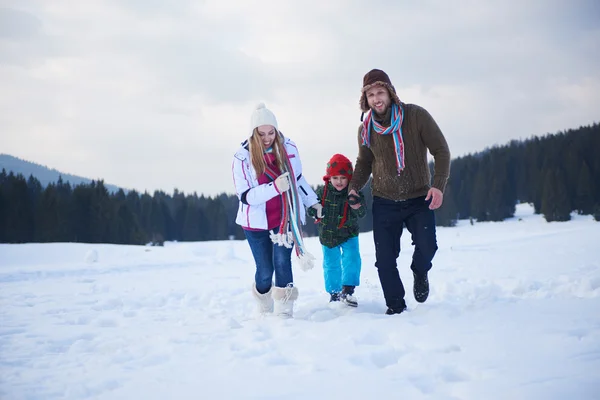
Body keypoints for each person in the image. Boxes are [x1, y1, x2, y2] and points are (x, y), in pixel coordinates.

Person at [348, 69, 451, 315]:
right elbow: (364, 163)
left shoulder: (416, 116)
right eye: (371, 95)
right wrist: (353, 188)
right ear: (366, 99)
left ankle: (419, 270)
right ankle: (396, 308)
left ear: (390, 93)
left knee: (428, 247)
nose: (376, 98)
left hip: (419, 197)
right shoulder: (366, 129)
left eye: (380, 92)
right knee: (384, 261)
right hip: (385, 200)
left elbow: (441, 150)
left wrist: (438, 185)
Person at [232, 103, 323, 318]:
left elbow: (297, 179)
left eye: (271, 132)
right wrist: (274, 188)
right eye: (261, 134)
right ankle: (264, 304)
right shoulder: (242, 157)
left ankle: (284, 312)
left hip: (285, 217)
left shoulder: (288, 148)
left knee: (282, 263)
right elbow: (245, 196)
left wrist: (313, 202)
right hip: (256, 223)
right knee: (265, 271)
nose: (267, 138)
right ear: (253, 133)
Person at [307, 154, 366, 307]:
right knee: (331, 264)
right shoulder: (322, 192)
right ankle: (334, 293)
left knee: (352, 258)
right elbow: (311, 207)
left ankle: (347, 289)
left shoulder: (354, 193)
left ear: (349, 178)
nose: (339, 182)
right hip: (328, 235)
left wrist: (358, 207)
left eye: (343, 178)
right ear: (329, 178)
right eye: (335, 178)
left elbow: (363, 212)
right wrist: (315, 211)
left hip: (349, 233)